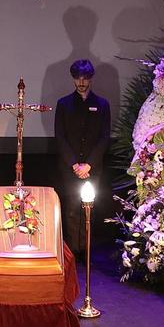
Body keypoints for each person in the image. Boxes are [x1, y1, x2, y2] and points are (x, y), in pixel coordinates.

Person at [54, 59, 110, 255]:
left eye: (85, 78)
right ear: (73, 79)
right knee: (71, 208)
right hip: (70, 167)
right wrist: (74, 164)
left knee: (89, 209)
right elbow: (60, 137)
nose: (81, 82)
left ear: (91, 79)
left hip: (93, 168)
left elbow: (104, 138)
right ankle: (73, 250)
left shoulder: (102, 104)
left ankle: (86, 250)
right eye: (78, 78)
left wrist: (88, 165)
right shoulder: (64, 104)